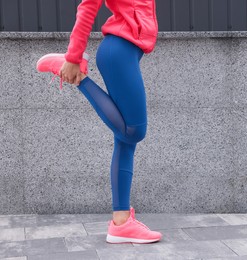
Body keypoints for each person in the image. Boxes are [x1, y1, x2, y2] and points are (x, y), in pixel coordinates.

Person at [36, 0, 162, 244]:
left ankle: (121, 223)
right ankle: (78, 77)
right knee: (134, 131)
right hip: (119, 52)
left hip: (127, 51)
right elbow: (88, 6)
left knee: (125, 141)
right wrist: (73, 56)